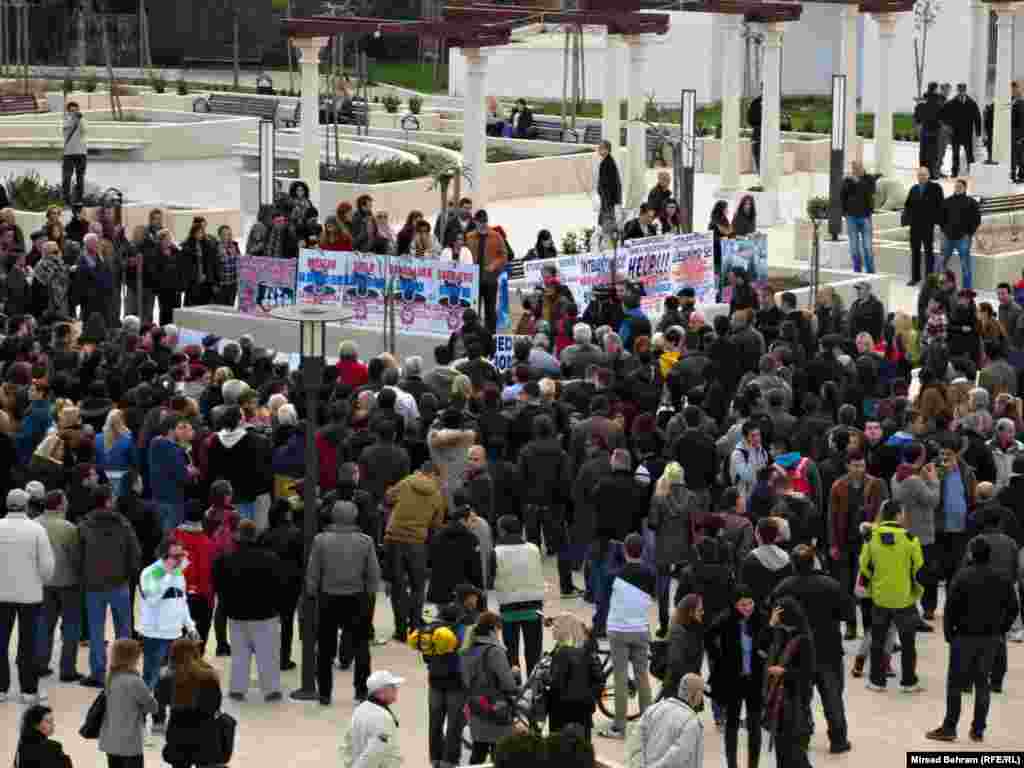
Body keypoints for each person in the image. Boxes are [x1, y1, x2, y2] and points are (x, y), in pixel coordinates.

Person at [926, 537, 1019, 743]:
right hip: (991, 638)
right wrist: (1001, 630)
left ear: (971, 554)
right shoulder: (1001, 578)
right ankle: (977, 730)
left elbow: (950, 609)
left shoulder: (962, 576)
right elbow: (1013, 608)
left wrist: (950, 635)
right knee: (983, 683)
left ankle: (950, 727)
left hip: (964, 637)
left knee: (955, 684)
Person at [774, 544, 852, 754]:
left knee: (800, 698)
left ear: (792, 563)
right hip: (829, 649)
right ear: (814, 561)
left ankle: (802, 738)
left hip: (798, 653)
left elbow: (775, 617)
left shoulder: (783, 587)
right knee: (833, 696)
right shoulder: (831, 585)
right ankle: (838, 739)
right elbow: (849, 614)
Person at [307, 500, 380, 705]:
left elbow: (313, 570)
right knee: (361, 646)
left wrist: (312, 591)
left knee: (325, 647)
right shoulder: (365, 541)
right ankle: (361, 690)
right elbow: (373, 573)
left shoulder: (321, 540)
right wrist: (370, 594)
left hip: (328, 597)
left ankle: (324, 692)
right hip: (357, 598)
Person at [212, 519, 283, 702]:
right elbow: (280, 585)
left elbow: (219, 586)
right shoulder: (272, 559)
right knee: (267, 654)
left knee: (239, 655)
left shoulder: (225, 560)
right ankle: (271, 689)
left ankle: (237, 689)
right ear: (256, 535)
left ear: (238, 535)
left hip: (237, 614)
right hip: (265, 614)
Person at [859, 499, 925, 692]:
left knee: (877, 641)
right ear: (898, 515)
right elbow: (918, 568)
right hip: (904, 598)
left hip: (880, 598)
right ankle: (909, 682)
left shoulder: (871, 537)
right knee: (908, 642)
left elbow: (865, 567)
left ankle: (876, 682)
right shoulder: (911, 539)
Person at [79, 484, 140, 688]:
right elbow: (135, 552)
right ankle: (126, 670)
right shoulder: (123, 524)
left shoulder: (84, 525)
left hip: (93, 586)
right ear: (107, 501)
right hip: (119, 584)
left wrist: (83, 576)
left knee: (96, 632)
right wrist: (130, 575)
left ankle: (97, 673)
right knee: (124, 630)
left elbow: (77, 556)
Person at [0, 489, 55, 704]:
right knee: (28, 644)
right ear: (26, 506)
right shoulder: (36, 530)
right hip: (30, 596)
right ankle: (28, 691)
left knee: (1, 642)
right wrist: (42, 580)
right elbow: (47, 566)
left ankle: (1, 689)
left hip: (1, 595)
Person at [599, 532, 655, 740]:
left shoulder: (615, 573)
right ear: (644, 550)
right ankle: (648, 726)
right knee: (643, 678)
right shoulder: (650, 574)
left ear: (625, 551)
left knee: (621, 679)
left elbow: (602, 592)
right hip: (640, 629)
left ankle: (619, 727)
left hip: (618, 630)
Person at [383, 463, 446, 640]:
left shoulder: (406, 482)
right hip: (417, 543)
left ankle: (400, 630)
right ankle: (415, 626)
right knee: (418, 587)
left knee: (398, 586)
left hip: (394, 539)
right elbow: (436, 523)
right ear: (433, 474)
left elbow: (388, 499)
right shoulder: (437, 494)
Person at [705, 585, 763, 768]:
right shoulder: (726, 619)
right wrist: (719, 660)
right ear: (734, 604)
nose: (747, 608)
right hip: (733, 680)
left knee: (755, 725)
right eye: (742, 604)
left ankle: (753, 765)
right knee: (732, 724)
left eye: (750, 603)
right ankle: (732, 764)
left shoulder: (760, 619)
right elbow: (708, 638)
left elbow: (768, 640)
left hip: (754, 680)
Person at [829, 448, 885, 638]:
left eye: (862, 465)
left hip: (869, 543)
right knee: (847, 587)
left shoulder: (876, 484)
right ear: (847, 466)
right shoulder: (838, 486)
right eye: (855, 466)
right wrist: (834, 544)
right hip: (846, 543)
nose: (859, 469)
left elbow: (882, 513)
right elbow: (832, 517)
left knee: (867, 586)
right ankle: (851, 626)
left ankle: (869, 626)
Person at [138, 537, 197, 692]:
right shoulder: (151, 572)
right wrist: (168, 574)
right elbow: (152, 599)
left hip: (175, 634)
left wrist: (190, 627)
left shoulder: (178, 573)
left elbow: (182, 601)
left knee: (171, 680)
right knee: (152, 679)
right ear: (164, 556)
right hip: (155, 635)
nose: (180, 560)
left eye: (181, 555)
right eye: (176, 556)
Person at [763, 597, 816, 768]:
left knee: (795, 753)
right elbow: (761, 647)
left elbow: (807, 673)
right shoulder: (780, 633)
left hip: (794, 703)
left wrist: (784, 672)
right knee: (783, 753)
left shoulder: (803, 640)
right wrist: (770, 625)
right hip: (779, 704)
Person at [461, 612, 520, 764]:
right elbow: (508, 684)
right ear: (493, 629)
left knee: (478, 750)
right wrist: (514, 674)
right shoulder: (494, 651)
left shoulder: (467, 649)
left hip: (475, 706)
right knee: (499, 752)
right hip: (496, 707)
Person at [37, 490, 82, 683]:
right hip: (68, 583)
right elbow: (76, 557)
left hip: (43, 582)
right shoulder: (69, 528)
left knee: (44, 625)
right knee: (71, 627)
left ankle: (39, 664)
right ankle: (67, 670)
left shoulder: (35, 524)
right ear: (59, 505)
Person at [648, 462, 696, 636]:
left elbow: (653, 524)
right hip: (684, 550)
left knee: (663, 589)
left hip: (663, 550)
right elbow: (694, 523)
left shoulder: (659, 497)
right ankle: (683, 623)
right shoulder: (691, 496)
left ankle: (663, 626)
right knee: (685, 588)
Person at [160, 638, 224, 768]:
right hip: (205, 734)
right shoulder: (209, 675)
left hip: (178, 734)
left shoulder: (168, 677)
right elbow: (215, 704)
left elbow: (161, 700)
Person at [99, 638, 158, 768]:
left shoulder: (111, 678)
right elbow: (153, 707)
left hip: (111, 740)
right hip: (130, 743)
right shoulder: (135, 681)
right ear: (134, 658)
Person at [626, 673, 705, 768]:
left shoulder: (654, 709)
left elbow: (635, 741)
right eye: (701, 693)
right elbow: (677, 756)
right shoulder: (692, 723)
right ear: (696, 695)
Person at [546, 614, 603, 740]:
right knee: (583, 746)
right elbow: (599, 678)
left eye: (556, 627)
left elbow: (556, 682)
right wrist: (590, 697)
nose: (553, 630)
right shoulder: (588, 648)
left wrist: (545, 678)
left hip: (562, 710)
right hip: (584, 709)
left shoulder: (561, 652)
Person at [342, 670, 405, 768]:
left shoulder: (359, 710)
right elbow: (374, 752)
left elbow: (346, 746)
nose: (396, 689)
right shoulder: (383, 718)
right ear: (381, 691)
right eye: (393, 687)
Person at [465, 209, 508, 334]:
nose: (483, 224)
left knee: (490, 310)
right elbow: (464, 254)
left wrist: (494, 265)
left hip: (490, 279)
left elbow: (504, 256)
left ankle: (491, 335)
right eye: (480, 222)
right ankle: (473, 333)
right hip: (473, 280)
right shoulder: (469, 237)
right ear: (475, 222)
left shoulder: (496, 236)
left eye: (485, 222)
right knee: (473, 309)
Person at [902, 166, 945, 286]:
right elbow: (908, 206)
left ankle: (929, 279)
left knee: (928, 252)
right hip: (915, 225)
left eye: (924, 174)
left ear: (928, 175)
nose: (921, 177)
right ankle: (915, 277)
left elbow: (940, 206)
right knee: (915, 252)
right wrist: (907, 222)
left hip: (928, 225)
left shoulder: (936, 188)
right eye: (919, 175)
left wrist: (938, 223)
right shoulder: (914, 189)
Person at [660, 594, 704, 706]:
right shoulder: (678, 631)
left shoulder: (696, 628)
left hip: (690, 688)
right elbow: (676, 663)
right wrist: (693, 679)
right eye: (699, 610)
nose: (702, 612)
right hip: (678, 691)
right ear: (690, 612)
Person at [941, 178, 981, 290]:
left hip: (963, 239)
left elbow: (976, 220)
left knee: (965, 266)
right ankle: (940, 286)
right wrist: (944, 231)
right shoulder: (947, 201)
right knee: (941, 264)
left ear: (965, 188)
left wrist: (969, 234)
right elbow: (941, 218)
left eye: (960, 187)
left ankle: (966, 289)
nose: (957, 188)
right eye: (956, 186)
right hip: (948, 238)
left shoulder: (971, 202)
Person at [840, 161, 878, 273]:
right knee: (854, 248)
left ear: (862, 168)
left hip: (865, 217)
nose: (855, 171)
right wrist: (845, 213)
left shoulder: (869, 179)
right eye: (854, 169)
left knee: (867, 247)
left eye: (858, 168)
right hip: (851, 217)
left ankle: (870, 271)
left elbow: (869, 192)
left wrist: (857, 182)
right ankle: (857, 271)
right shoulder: (847, 180)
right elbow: (843, 195)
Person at [944, 82, 982, 178]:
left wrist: (978, 132)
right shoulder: (951, 103)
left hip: (967, 133)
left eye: (963, 90)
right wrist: (948, 127)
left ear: (965, 90)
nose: (961, 92)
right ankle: (954, 172)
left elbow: (977, 117)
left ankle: (972, 172)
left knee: (970, 154)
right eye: (960, 90)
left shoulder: (971, 103)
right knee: (955, 154)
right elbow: (944, 115)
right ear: (958, 90)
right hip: (955, 132)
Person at [915, 82, 944, 178]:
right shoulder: (939, 104)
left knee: (924, 153)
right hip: (935, 131)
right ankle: (933, 174)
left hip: (925, 131)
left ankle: (923, 173)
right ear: (936, 89)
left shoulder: (922, 105)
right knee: (934, 153)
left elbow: (917, 119)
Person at [62, 102, 86, 203]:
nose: (74, 113)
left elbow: (84, 131)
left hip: (81, 152)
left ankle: (79, 199)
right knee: (67, 177)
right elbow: (68, 129)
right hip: (68, 153)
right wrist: (75, 119)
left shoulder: (82, 120)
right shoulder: (65, 120)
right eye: (72, 111)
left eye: (76, 111)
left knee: (80, 177)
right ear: (68, 112)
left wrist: (79, 120)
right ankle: (66, 199)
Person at [595, 139, 623, 229]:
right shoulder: (607, 161)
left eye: (601, 148)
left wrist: (604, 197)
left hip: (608, 200)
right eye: (599, 148)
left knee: (607, 223)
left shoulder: (607, 163)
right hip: (607, 199)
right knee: (605, 221)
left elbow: (609, 184)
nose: (599, 150)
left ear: (607, 149)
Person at [747, 86, 763, 174]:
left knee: (757, 155)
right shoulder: (755, 102)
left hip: (758, 133)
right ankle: (761, 175)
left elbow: (750, 119)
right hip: (758, 133)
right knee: (757, 155)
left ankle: (761, 175)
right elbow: (750, 119)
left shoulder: (755, 102)